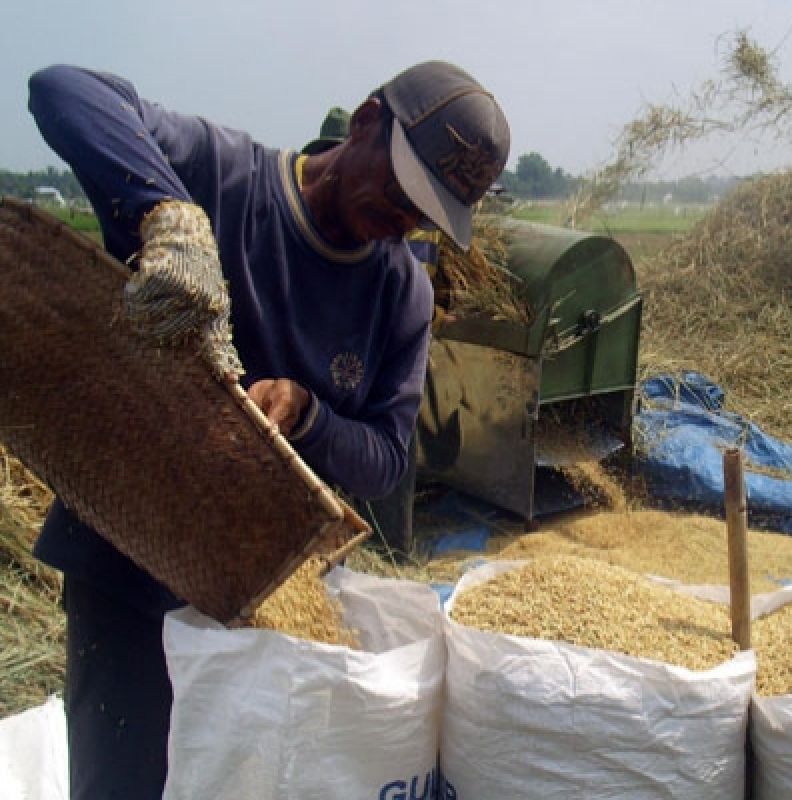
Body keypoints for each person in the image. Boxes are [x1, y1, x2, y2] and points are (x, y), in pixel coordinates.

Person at [27, 60, 509, 800]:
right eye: (403, 192)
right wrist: (171, 217)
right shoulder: (224, 177)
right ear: (366, 123)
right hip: (128, 566)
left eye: (428, 213)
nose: (405, 221)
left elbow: (384, 459)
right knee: (122, 779)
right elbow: (63, 90)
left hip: (261, 591)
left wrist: (310, 415)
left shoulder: (400, 290)